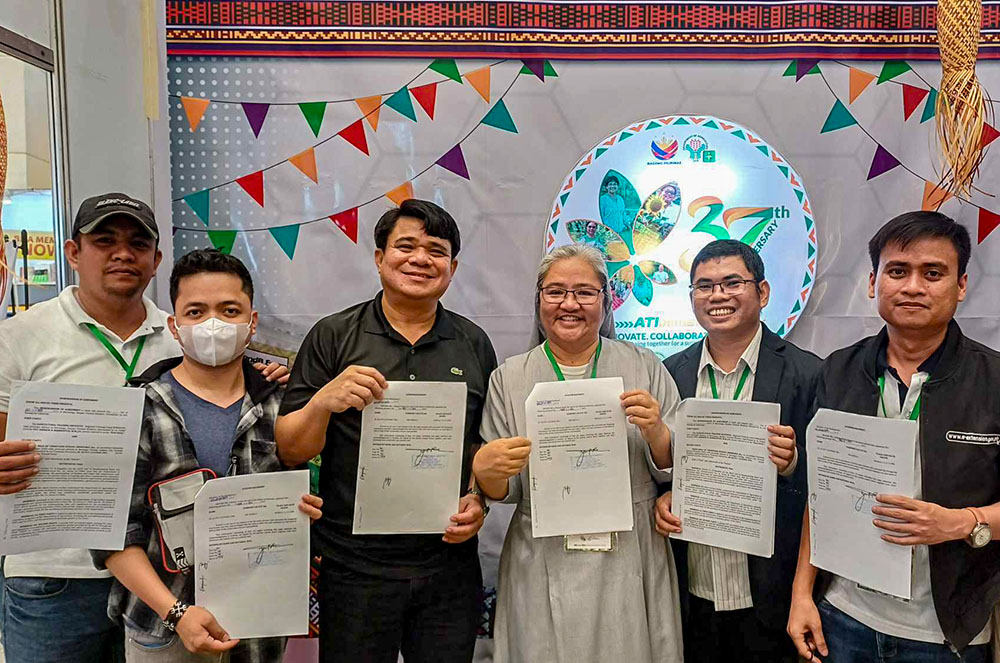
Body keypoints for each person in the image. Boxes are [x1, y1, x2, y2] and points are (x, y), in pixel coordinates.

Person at [0, 194, 286, 663]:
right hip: (55, 575)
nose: (121, 253)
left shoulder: (183, 333)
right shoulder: (20, 336)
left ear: (155, 260)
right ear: (74, 252)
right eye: (104, 240)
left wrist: (267, 376)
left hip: (162, 579)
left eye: (137, 243)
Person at [274, 199, 497, 663]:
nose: (420, 259)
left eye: (436, 250)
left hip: (448, 566)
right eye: (406, 246)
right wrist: (322, 402)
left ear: (452, 268)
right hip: (355, 568)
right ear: (379, 258)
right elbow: (291, 448)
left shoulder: (473, 342)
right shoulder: (334, 335)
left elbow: (485, 447)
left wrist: (478, 500)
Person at [787, 211, 999, 663]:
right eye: (898, 271)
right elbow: (821, 495)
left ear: (961, 286)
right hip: (843, 617)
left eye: (933, 273)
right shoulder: (838, 370)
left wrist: (962, 523)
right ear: (872, 282)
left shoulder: (994, 380)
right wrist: (802, 593)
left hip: (946, 633)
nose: (913, 287)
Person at [92, 248, 321, 662]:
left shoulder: (284, 405)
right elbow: (111, 536)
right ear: (174, 326)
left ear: (251, 323)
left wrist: (303, 509)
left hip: (260, 628)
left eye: (229, 309)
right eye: (195, 312)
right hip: (164, 628)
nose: (213, 324)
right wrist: (176, 613)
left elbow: (309, 490)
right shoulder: (137, 408)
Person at [473, 243, 684, 663]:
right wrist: (486, 469)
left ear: (606, 302)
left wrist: (657, 430)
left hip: (628, 547)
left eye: (585, 292)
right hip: (542, 548)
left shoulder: (645, 367)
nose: (570, 304)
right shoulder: (509, 378)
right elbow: (503, 491)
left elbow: (676, 469)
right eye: (555, 292)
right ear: (538, 302)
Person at [653, 239, 821, 663]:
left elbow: (830, 490)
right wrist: (663, 498)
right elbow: (664, 467)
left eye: (732, 283)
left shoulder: (808, 373)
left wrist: (792, 463)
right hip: (693, 594)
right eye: (704, 286)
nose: (718, 296)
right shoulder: (670, 372)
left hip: (771, 598)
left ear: (762, 292)